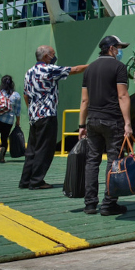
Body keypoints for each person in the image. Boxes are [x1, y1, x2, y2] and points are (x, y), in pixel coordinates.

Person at [19, 45, 88, 190]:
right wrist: (93, 65)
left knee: (32, 149)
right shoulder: (48, 69)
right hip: (47, 114)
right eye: (52, 54)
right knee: (45, 149)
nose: (54, 57)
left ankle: (25, 180)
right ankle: (37, 181)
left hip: (34, 115)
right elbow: (74, 70)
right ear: (46, 57)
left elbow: (25, 94)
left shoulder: (29, 72)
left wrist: (31, 110)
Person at [78, 35, 132, 215]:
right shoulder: (119, 67)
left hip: (92, 120)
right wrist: (128, 123)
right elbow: (122, 96)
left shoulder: (89, 69)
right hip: (112, 120)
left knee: (92, 161)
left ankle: (90, 204)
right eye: (118, 47)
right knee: (113, 161)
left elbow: (84, 100)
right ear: (110, 48)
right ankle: (109, 204)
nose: (119, 50)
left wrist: (81, 125)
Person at [0, 75, 21, 163]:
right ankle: (2, 158)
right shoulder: (16, 95)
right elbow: (18, 110)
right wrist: (18, 122)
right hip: (9, 121)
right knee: (4, 138)